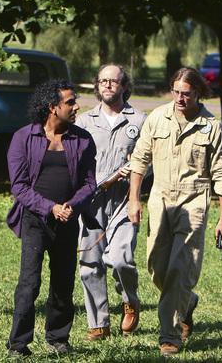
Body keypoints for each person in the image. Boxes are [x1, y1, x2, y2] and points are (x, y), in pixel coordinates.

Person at [127, 67, 222, 356]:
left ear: (198, 93)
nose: (179, 98)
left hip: (194, 199)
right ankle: (186, 302)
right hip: (160, 198)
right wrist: (133, 199)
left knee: (180, 268)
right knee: (156, 267)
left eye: (186, 94)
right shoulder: (157, 118)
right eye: (175, 92)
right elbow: (139, 160)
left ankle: (169, 335)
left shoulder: (212, 127)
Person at [5, 79, 96, 357]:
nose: (76, 106)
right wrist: (50, 207)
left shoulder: (82, 139)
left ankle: (58, 338)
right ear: (52, 107)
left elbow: (89, 183)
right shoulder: (25, 137)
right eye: (70, 101)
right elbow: (19, 186)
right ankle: (19, 344)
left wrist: (70, 205)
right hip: (35, 220)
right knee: (29, 283)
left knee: (63, 282)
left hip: (67, 221)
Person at [76, 64, 147, 340]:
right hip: (90, 202)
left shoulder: (139, 121)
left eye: (113, 81)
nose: (107, 85)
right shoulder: (83, 122)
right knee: (90, 262)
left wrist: (135, 170)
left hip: (123, 200)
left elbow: (148, 160)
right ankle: (99, 323)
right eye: (103, 81)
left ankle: (130, 301)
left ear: (124, 86)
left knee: (120, 259)